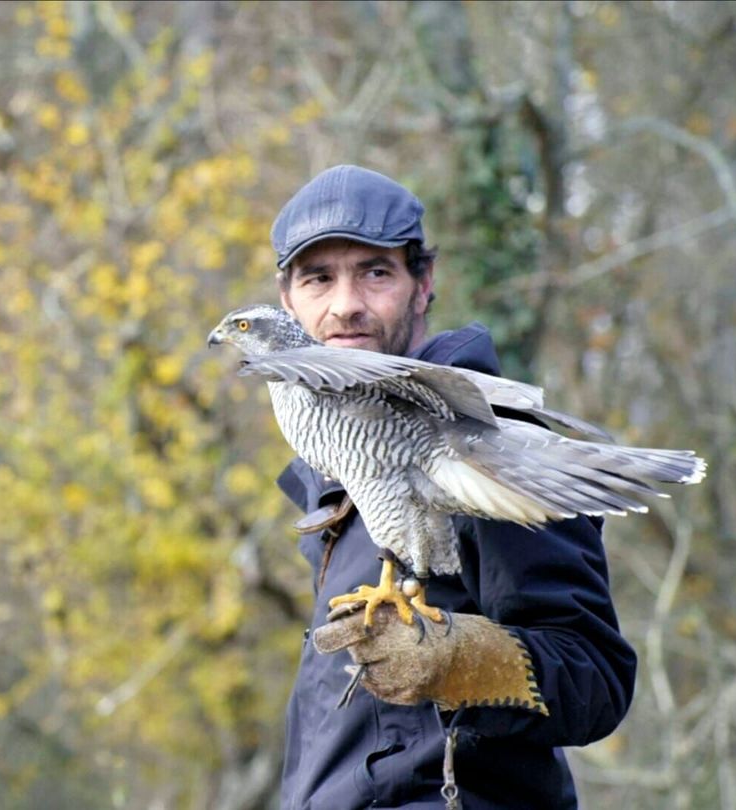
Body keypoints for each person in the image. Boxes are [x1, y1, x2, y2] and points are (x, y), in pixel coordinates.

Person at [268, 165, 636, 809]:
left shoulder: (474, 442)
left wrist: (460, 661)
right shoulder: (339, 475)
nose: (345, 303)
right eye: (318, 278)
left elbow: (595, 678)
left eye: (375, 272)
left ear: (423, 284)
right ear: (287, 303)